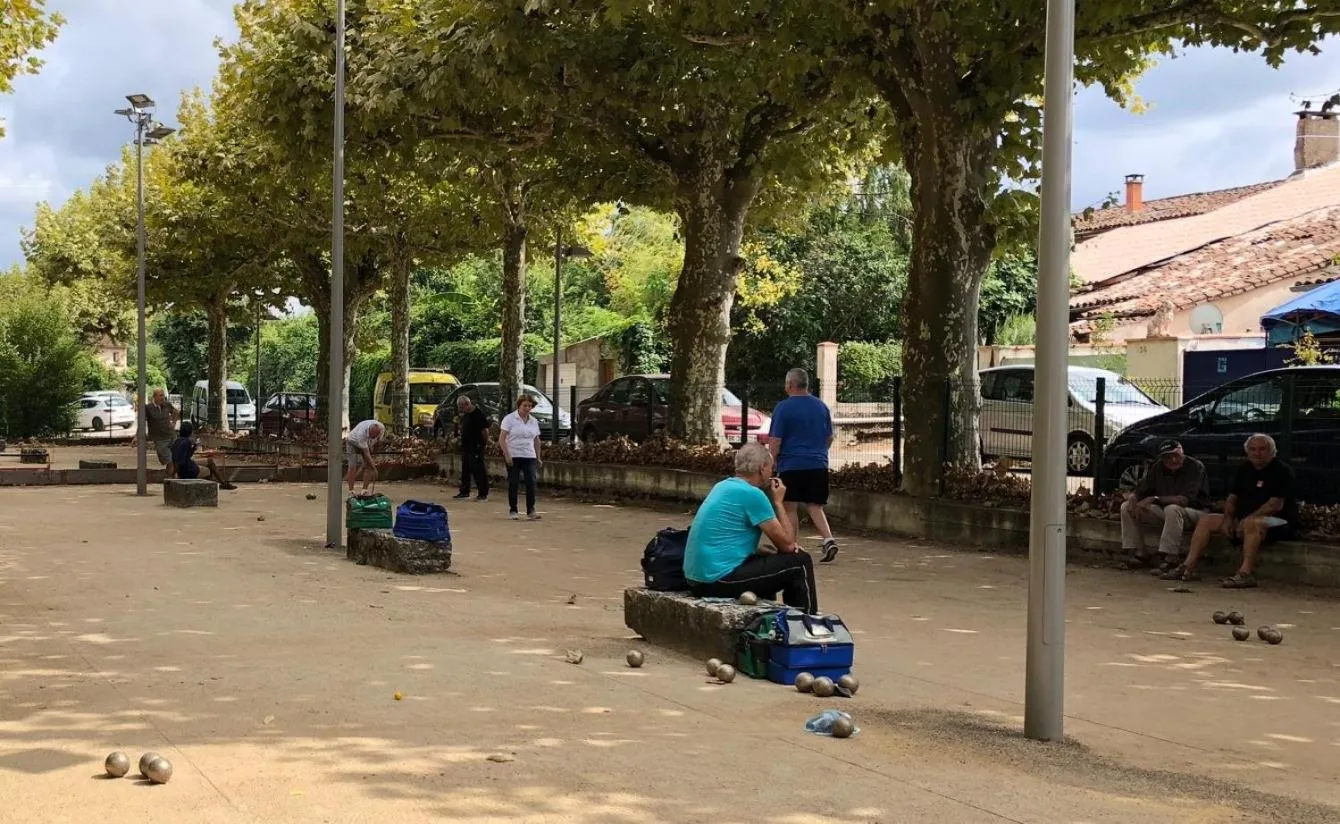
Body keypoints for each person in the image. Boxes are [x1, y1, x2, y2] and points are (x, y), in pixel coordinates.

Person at [684, 443, 818, 614]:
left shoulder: (723, 486)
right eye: (771, 469)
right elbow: (789, 546)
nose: (772, 473)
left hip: (697, 579)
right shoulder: (753, 495)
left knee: (767, 556)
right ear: (762, 469)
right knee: (800, 562)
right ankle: (805, 623)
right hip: (716, 580)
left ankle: (776, 620)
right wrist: (778, 502)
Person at [1163, 433, 1298, 589]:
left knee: (1252, 524)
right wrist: (1228, 519)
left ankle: (1245, 573)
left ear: (1272, 452)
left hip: (1278, 521)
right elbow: (1232, 498)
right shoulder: (1244, 469)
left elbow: (1275, 505)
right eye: (1253, 449)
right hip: (1244, 519)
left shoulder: (1282, 471)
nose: (1257, 453)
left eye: (1262, 449)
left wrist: (1246, 520)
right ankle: (1188, 566)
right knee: (1207, 520)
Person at [767, 368, 839, 563]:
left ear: (790, 384)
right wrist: (820, 453)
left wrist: (771, 463)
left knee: (789, 506)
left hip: (792, 464)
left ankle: (792, 544)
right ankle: (828, 539)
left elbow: (775, 440)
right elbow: (829, 437)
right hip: (818, 464)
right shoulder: (821, 407)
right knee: (815, 505)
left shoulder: (783, 408)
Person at [1119, 440, 1210, 573]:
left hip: (1196, 512)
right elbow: (1142, 489)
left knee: (1172, 508)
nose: (1173, 460)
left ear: (1182, 452)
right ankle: (1139, 552)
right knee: (1126, 507)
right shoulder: (1158, 467)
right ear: (1162, 458)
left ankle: (1170, 557)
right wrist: (1134, 498)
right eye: (1168, 457)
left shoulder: (1195, 467)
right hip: (1167, 512)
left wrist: (1155, 498)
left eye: (1176, 455)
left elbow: (1186, 500)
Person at [499, 393, 543, 521]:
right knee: (514, 483)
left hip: (529, 455)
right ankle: (513, 509)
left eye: (529, 406)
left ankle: (531, 510)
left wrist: (538, 457)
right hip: (514, 454)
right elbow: (502, 438)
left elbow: (536, 440)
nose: (527, 408)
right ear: (519, 405)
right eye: (525, 405)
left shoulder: (533, 421)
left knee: (531, 482)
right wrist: (507, 454)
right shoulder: (509, 419)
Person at [170, 422, 237, 489]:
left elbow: (183, 456)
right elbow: (180, 461)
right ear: (190, 432)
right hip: (188, 470)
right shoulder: (186, 442)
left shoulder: (177, 441)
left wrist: (192, 449)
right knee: (208, 470)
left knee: (210, 461)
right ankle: (208, 488)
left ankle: (222, 483)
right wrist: (176, 475)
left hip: (186, 464)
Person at [453, 395, 491, 502]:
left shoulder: (478, 414)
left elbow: (485, 431)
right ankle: (464, 491)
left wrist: (483, 444)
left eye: (461, 407)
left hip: (476, 446)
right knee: (465, 469)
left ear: (466, 404)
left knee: (478, 470)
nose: (461, 409)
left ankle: (483, 493)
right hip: (466, 446)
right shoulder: (466, 415)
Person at [139, 389, 179, 480]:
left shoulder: (166, 405)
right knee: (168, 460)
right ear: (155, 397)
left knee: (174, 459)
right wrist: (137, 436)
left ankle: (170, 478)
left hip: (171, 436)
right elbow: (141, 422)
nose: (162, 398)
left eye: (163, 395)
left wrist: (174, 422)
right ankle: (169, 478)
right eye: (160, 396)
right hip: (160, 439)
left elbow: (176, 412)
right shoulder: (148, 408)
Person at [345, 419, 386, 496]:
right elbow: (366, 453)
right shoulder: (362, 433)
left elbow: (378, 442)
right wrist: (374, 468)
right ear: (369, 431)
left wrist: (373, 456)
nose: (372, 437)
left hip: (367, 444)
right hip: (352, 442)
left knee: (369, 466)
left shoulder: (381, 428)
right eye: (371, 435)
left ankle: (364, 490)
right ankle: (351, 491)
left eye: (374, 436)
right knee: (352, 466)